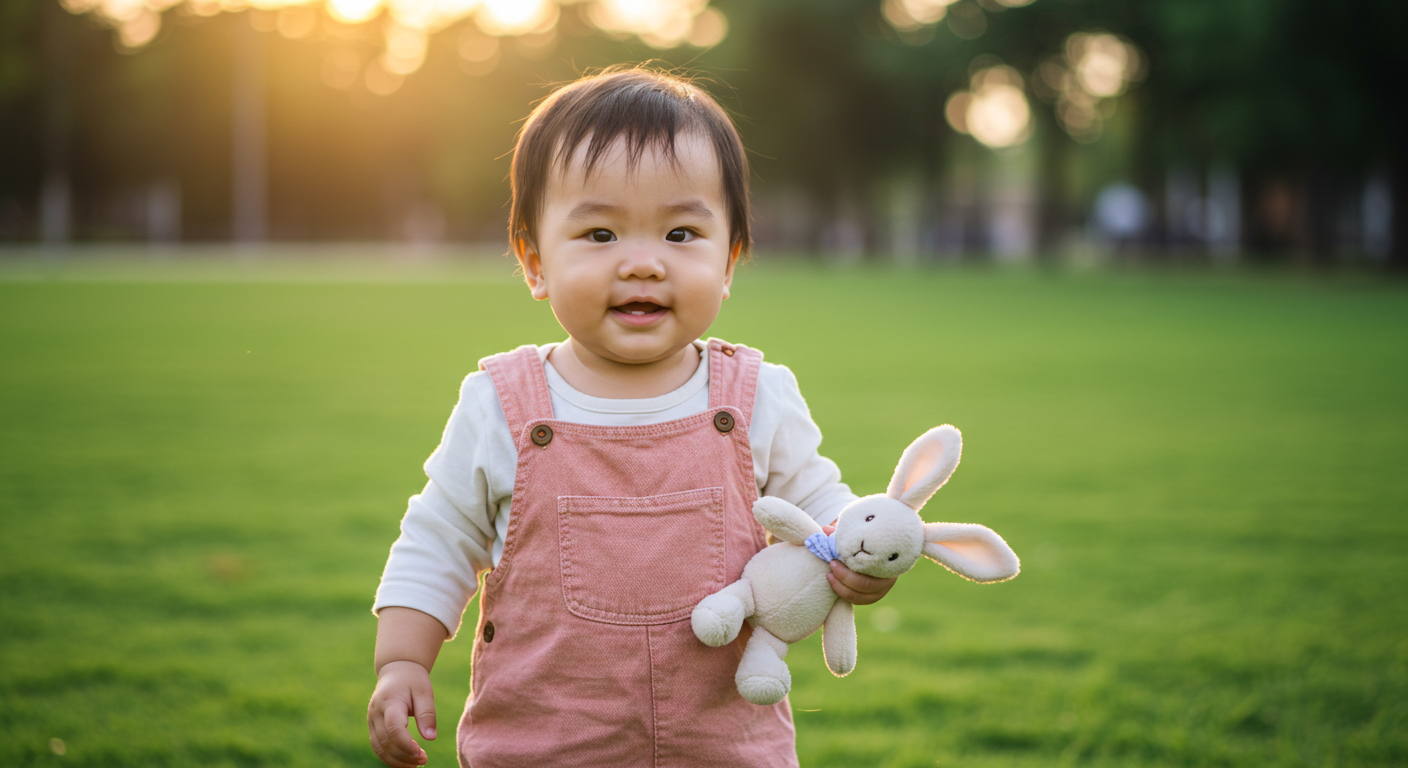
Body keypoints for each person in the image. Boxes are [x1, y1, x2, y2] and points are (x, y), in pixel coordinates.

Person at [367, 66, 897, 768]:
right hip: (544, 741)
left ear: (730, 259)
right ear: (534, 261)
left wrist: (860, 552)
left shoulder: (756, 395)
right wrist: (402, 660)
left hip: (722, 745)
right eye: (600, 233)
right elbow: (438, 538)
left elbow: (821, 507)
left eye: (681, 233)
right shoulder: (502, 404)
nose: (644, 264)